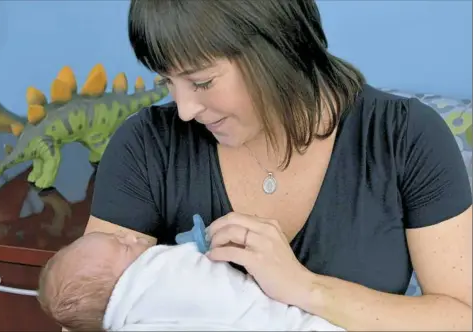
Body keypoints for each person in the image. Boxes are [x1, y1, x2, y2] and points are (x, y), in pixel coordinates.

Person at [80, 0, 472, 331]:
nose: (184, 110)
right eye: (168, 82)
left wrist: (305, 287)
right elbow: (89, 310)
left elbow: (461, 317)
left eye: (201, 82)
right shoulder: (147, 147)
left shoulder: (403, 137)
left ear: (277, 49)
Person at [38, 231, 344, 331]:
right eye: (123, 245)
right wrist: (203, 242)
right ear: (120, 283)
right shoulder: (157, 271)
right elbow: (203, 271)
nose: (131, 236)